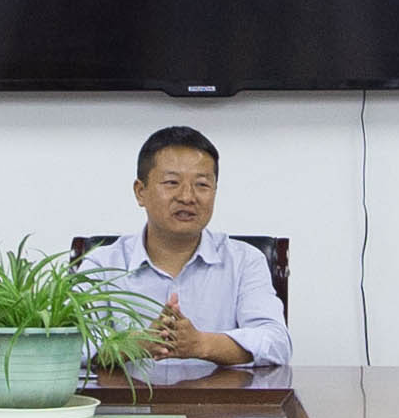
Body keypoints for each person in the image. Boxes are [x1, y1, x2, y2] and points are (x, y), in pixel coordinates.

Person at [83, 125, 288, 389]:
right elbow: (71, 343)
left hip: (219, 406)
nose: (187, 197)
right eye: (172, 183)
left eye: (202, 185)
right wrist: (136, 344)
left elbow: (276, 343)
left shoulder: (245, 261)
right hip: (126, 408)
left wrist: (201, 344)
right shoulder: (102, 264)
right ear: (140, 191)